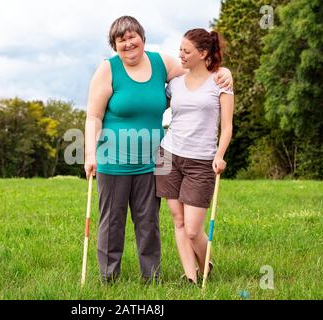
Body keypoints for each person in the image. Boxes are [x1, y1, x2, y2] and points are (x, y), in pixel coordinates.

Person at [84, 16, 233, 283]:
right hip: (112, 160)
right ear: (114, 45)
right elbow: (94, 117)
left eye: (133, 37)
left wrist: (223, 72)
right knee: (112, 223)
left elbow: (197, 70)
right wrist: (90, 155)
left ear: (142, 37)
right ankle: (109, 278)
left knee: (148, 223)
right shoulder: (108, 69)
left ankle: (151, 277)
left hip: (153, 160)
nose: (129, 43)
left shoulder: (161, 63)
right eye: (121, 40)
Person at [155, 28, 234, 284]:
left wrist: (220, 155)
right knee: (177, 221)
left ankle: (205, 266)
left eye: (186, 51)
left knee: (192, 230)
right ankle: (190, 277)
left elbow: (227, 126)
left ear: (203, 53)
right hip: (168, 156)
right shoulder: (174, 84)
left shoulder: (220, 82)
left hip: (201, 161)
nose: (181, 55)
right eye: (180, 49)